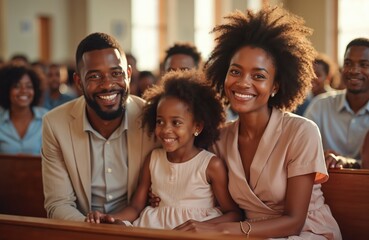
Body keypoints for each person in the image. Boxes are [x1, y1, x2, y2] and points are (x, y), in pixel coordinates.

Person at [175, 6, 342, 239]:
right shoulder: (220, 138)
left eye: (258, 76)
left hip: (306, 232)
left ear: (275, 86)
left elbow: (294, 222)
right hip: (247, 233)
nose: (243, 83)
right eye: (235, 71)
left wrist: (222, 229)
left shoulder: (301, 131)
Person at [85, 70, 242, 229]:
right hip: (154, 228)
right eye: (160, 121)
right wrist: (109, 218)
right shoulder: (153, 159)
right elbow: (135, 208)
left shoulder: (210, 165)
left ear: (197, 126)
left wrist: (203, 225)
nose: (166, 129)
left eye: (176, 123)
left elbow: (234, 213)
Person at [41, 32, 157, 221]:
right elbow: (58, 203)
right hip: (82, 229)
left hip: (137, 227)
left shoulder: (152, 118)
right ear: (79, 82)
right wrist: (95, 230)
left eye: (116, 73)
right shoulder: (55, 124)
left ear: (128, 74)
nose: (107, 85)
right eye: (95, 76)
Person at [304, 38, 369, 169]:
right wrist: (320, 156)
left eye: (364, 64)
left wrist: (348, 162)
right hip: (325, 183)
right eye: (348, 63)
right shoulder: (320, 105)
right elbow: (301, 149)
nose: (354, 70)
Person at [0, 64, 47, 155]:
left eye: (29, 86)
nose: (23, 90)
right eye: (17, 86)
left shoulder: (47, 118)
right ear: (6, 90)